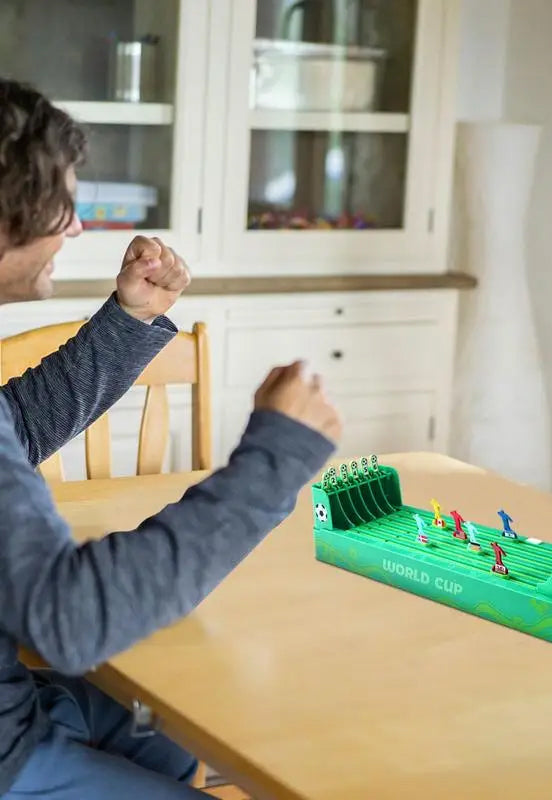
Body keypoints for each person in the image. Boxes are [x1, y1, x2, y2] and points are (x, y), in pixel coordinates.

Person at [0, 80, 340, 798]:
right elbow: (73, 619)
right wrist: (276, 457)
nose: (76, 230)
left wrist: (128, 321)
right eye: (61, 208)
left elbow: (16, 425)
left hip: (21, 705)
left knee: (165, 731)